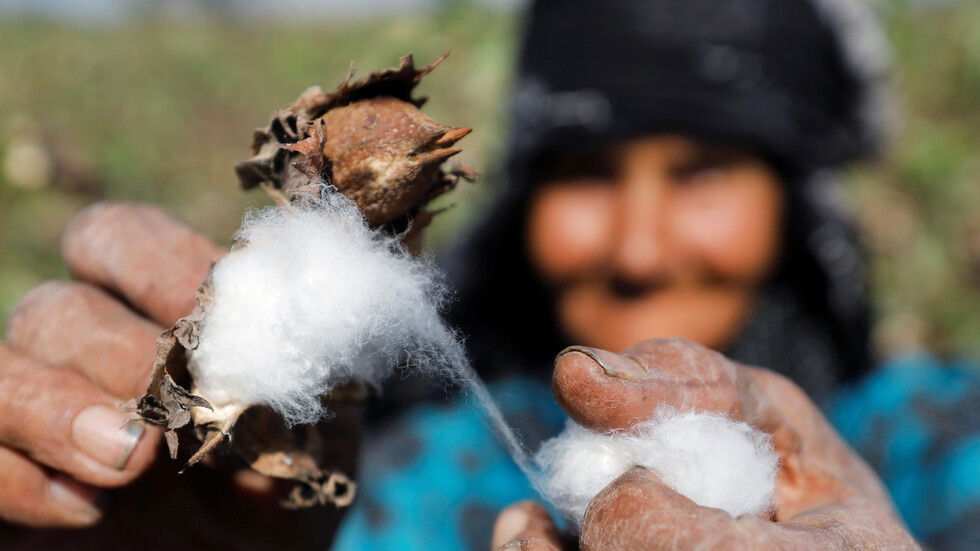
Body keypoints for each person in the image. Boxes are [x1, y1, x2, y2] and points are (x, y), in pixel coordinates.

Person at [0, 2, 976, 551]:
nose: (639, 250)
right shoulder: (418, 475)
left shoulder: (939, 438)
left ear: (792, 207)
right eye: (586, 175)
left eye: (702, 174)